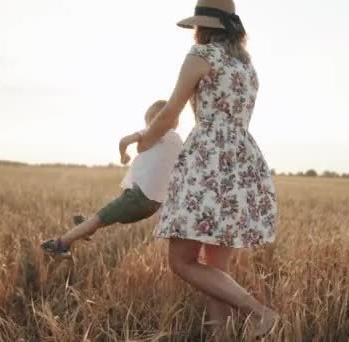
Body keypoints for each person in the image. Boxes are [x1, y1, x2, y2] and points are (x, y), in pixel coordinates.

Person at [136, 0, 279, 337]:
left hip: (208, 160)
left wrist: (143, 140)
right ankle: (220, 336)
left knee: (181, 261)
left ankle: (260, 313)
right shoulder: (246, 66)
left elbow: (172, 112)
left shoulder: (200, 57)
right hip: (242, 160)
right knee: (217, 267)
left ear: (202, 26)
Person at [41, 100, 183, 258]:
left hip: (138, 197)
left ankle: (61, 244)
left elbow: (124, 141)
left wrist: (124, 155)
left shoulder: (155, 130)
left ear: (155, 119)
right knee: (105, 218)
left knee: (99, 219)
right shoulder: (178, 141)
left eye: (148, 121)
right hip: (153, 205)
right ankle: (84, 227)